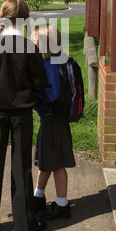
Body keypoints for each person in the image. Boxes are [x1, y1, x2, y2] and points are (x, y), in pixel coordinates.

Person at [0, 0, 48, 231]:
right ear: (25, 19)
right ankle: (24, 224)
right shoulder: (30, 49)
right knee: (21, 167)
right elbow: (40, 83)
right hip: (22, 115)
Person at [31, 24, 76, 220]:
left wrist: (34, 95)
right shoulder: (54, 60)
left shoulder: (50, 65)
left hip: (53, 120)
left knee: (56, 163)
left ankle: (62, 204)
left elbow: (52, 94)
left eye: (34, 39)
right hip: (53, 120)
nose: (31, 42)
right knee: (47, 160)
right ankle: (38, 195)